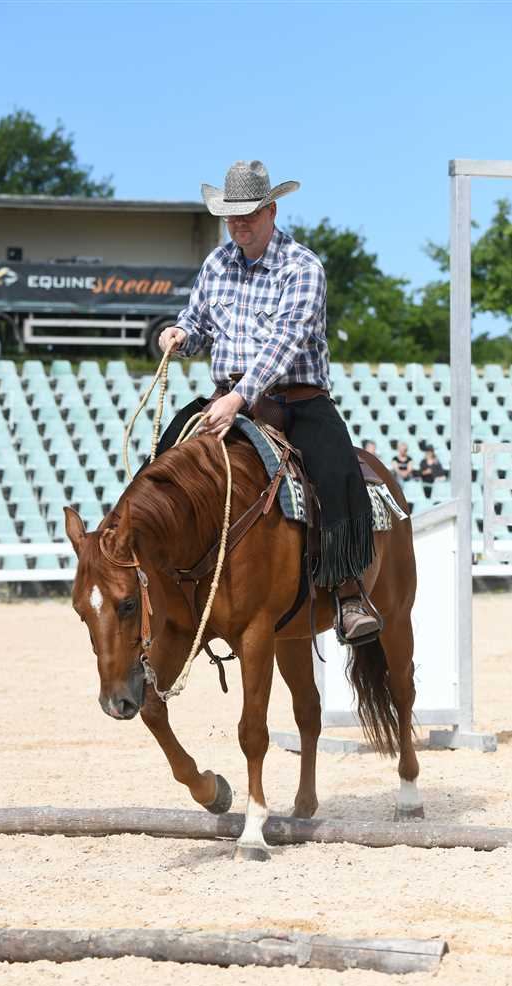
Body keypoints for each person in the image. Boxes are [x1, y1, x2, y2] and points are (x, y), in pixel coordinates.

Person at [156, 159, 379, 644]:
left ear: (271, 211)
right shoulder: (216, 263)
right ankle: (156, 574)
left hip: (295, 399)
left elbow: (286, 341)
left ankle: (348, 592)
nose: (239, 224)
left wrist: (240, 397)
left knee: (334, 469)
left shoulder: (303, 267)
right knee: (163, 461)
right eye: (231, 216)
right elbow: (197, 322)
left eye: (249, 214)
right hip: (225, 397)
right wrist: (180, 333)